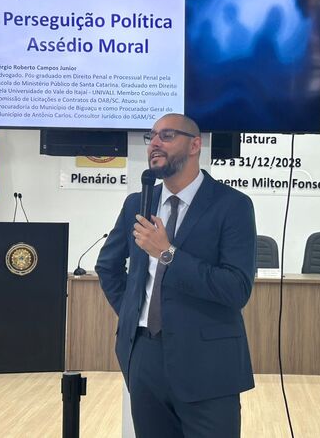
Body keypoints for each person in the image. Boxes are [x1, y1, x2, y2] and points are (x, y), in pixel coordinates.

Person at [95, 113, 257, 438]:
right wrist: (132, 316)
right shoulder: (137, 203)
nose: (154, 143)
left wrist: (168, 254)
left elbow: (236, 288)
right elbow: (107, 266)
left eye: (166, 136)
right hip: (144, 356)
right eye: (151, 136)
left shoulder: (232, 205)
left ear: (195, 145)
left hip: (207, 362)